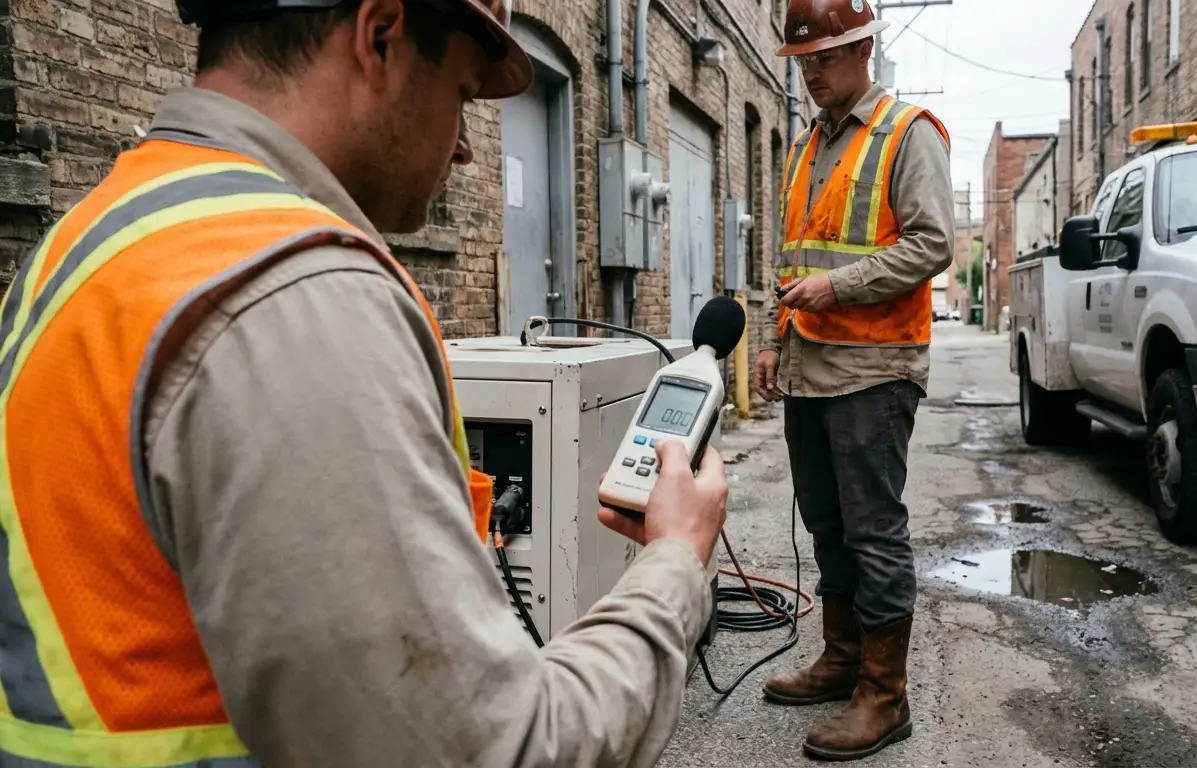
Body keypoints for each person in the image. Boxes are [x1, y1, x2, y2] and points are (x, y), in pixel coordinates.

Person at [0, 1, 728, 766]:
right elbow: (496, 749)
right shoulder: (294, 299)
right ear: (380, 36)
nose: (465, 153)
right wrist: (674, 563)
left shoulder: (91, 240)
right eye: (464, 95)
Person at [753, 0, 955, 761]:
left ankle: (884, 693)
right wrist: (776, 341)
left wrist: (840, 290)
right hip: (810, 366)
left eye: (825, 57)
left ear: (864, 48)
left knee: (873, 530)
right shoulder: (808, 144)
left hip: (873, 370)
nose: (811, 72)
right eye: (803, 61)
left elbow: (933, 242)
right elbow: (795, 258)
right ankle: (840, 661)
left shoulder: (907, 134)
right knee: (826, 523)